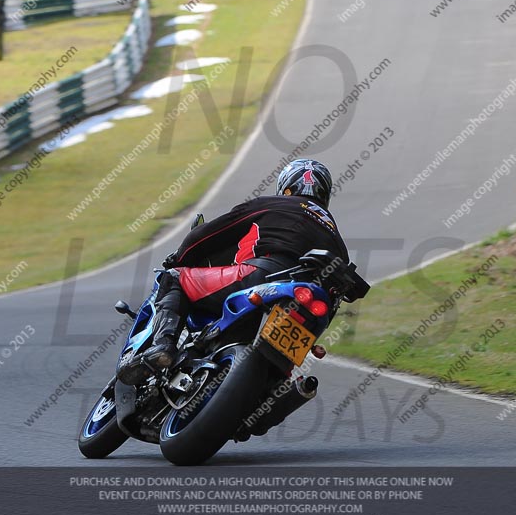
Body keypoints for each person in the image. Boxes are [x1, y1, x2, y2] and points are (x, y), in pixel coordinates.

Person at [117, 159, 349, 385]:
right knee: (279, 381)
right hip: (306, 305)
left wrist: (179, 259)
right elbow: (335, 298)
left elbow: (208, 234)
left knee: (175, 278)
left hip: (261, 277)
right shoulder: (337, 241)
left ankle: (163, 346)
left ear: (286, 187)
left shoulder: (270, 203)